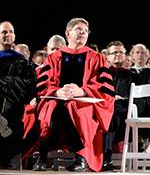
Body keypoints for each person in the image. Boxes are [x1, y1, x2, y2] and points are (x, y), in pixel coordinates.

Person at [27, 18, 115, 172]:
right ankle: (41, 156)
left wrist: (82, 91)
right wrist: (56, 91)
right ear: (68, 33)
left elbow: (104, 88)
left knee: (74, 105)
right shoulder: (53, 58)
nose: (83, 33)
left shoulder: (97, 58)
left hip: (84, 101)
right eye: (79, 29)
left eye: (85, 31)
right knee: (51, 106)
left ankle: (81, 159)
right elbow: (43, 85)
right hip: (56, 98)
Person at [0, 21, 36, 168]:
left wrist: (6, 85)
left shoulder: (22, 62)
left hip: (13, 115)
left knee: (11, 164)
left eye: (11, 32)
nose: (8, 35)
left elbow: (28, 86)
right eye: (4, 32)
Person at [102, 41, 137, 171]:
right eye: (114, 52)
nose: (118, 55)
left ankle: (106, 158)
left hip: (124, 111)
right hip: (104, 109)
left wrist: (123, 99)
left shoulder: (133, 75)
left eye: (121, 52)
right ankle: (105, 158)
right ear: (108, 56)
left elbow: (137, 99)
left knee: (113, 112)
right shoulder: (101, 74)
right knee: (109, 113)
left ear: (125, 56)